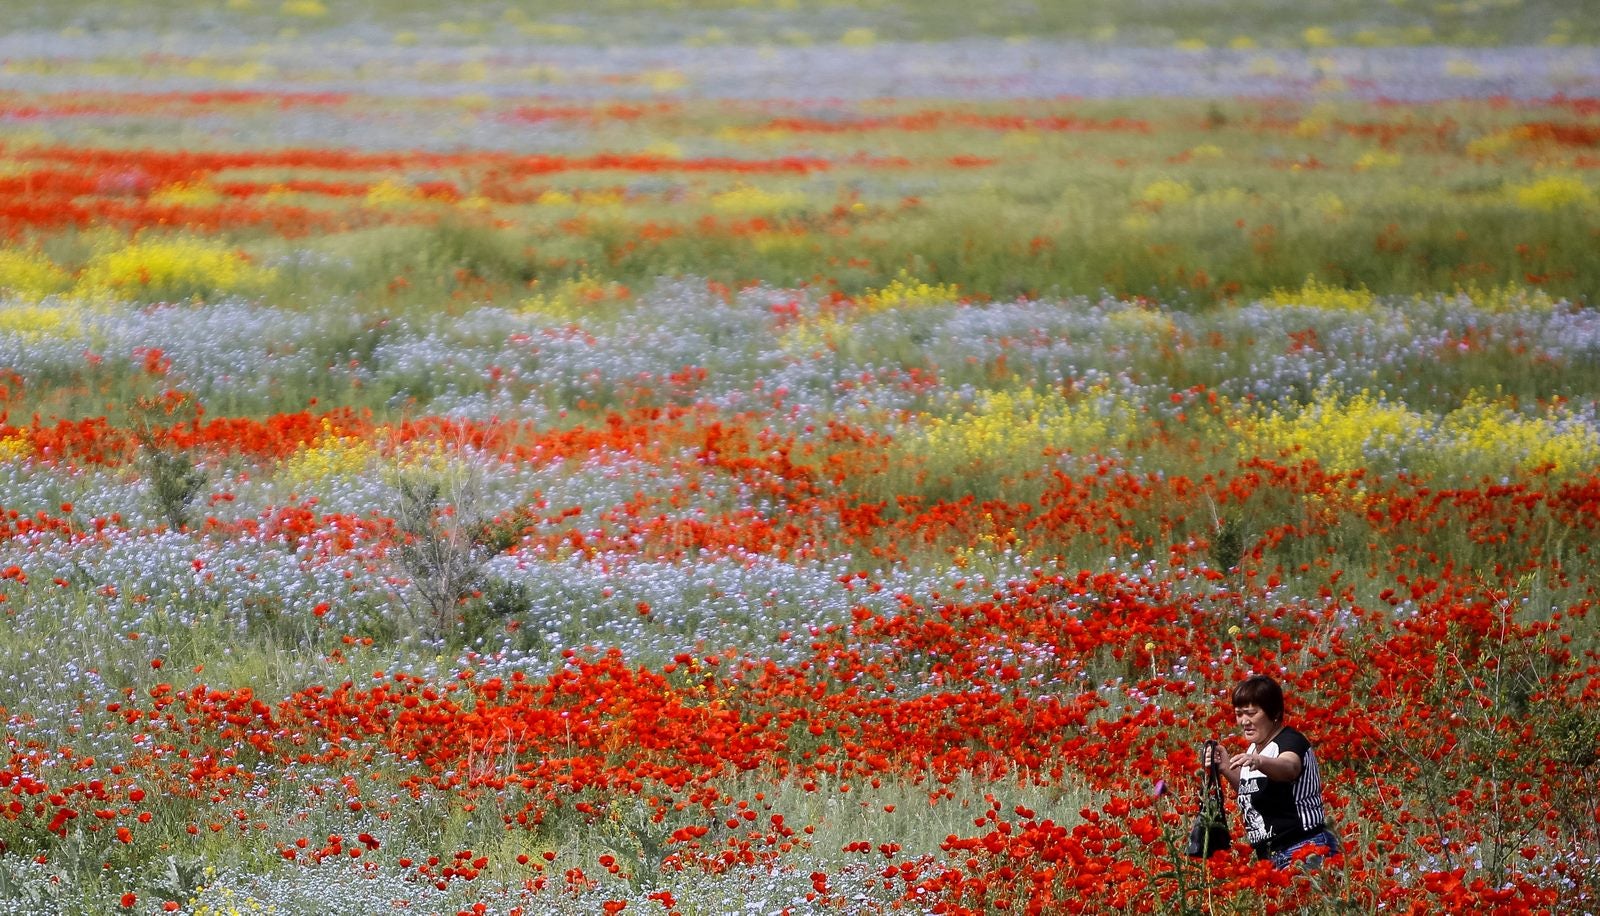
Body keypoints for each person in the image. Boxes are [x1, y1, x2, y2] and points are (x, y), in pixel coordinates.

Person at [1204, 673, 1340, 869]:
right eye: (1239, 713)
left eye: (1251, 713)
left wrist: (1259, 761)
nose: (1244, 721)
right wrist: (1225, 768)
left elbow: (1289, 768)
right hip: (1271, 856)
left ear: (1274, 713)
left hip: (1304, 849)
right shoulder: (1254, 749)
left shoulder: (1290, 741)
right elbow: (1250, 791)